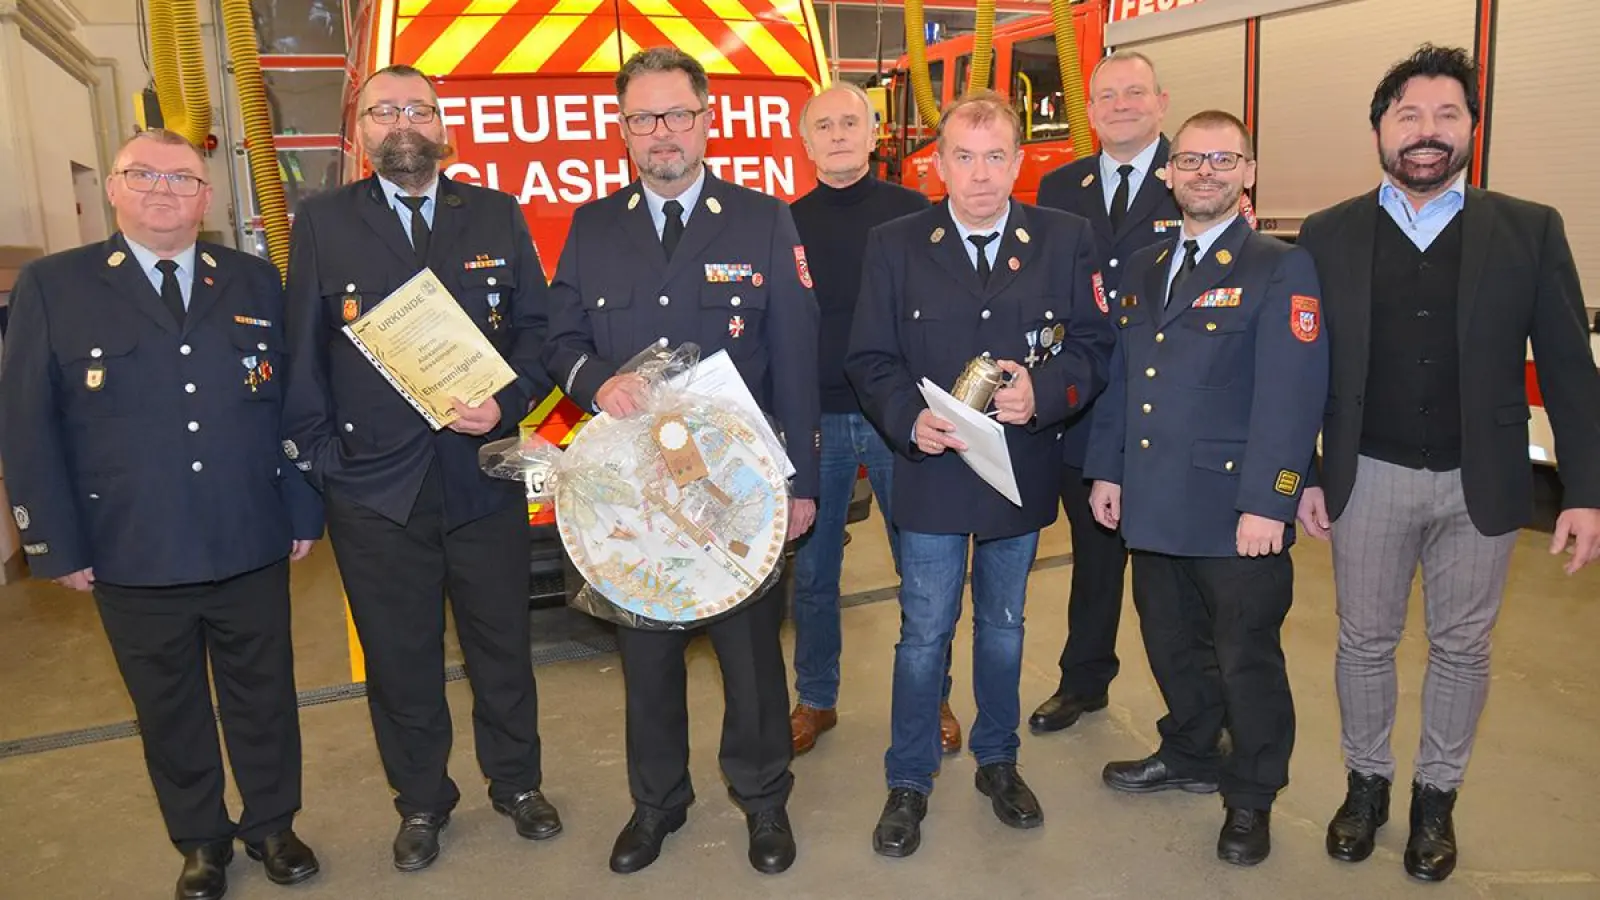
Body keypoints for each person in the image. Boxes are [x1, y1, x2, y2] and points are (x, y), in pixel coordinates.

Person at [1295, 45, 1600, 883]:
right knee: (1364, 642)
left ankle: (1437, 799)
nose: (1427, 133)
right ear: (1380, 132)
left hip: (1484, 480)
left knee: (1462, 649)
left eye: (1446, 115)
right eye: (1409, 116)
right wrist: (1301, 476)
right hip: (1368, 475)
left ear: (1471, 126)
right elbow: (1298, 371)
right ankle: (1367, 787)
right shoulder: (1328, 234)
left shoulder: (1529, 229)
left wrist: (1587, 490)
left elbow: (1571, 366)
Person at [0, 129, 323, 900]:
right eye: (142, 174)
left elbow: (291, 403)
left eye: (182, 178)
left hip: (248, 531)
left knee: (265, 695)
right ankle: (202, 843)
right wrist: (54, 544)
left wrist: (303, 510)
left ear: (206, 199)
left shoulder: (250, 280)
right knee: (167, 705)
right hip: (129, 546)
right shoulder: (56, 285)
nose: (162, 190)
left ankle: (274, 825)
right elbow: (28, 425)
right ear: (113, 188)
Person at [541, 47, 820, 876]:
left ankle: (764, 803)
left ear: (706, 119)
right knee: (649, 658)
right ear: (622, 130)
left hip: (738, 493)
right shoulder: (594, 226)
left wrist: (799, 483)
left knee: (752, 661)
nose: (660, 133)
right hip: (633, 498)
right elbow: (559, 339)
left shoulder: (763, 218)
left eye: (676, 115)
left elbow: (798, 356)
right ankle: (657, 804)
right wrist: (597, 381)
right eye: (642, 118)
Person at [282, 64, 562, 872]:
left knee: (503, 646)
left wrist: (506, 405)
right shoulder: (324, 221)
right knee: (400, 661)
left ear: (444, 126)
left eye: (420, 108)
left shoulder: (497, 214)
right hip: (373, 495)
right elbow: (302, 358)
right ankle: (423, 803)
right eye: (385, 110)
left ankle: (517, 784)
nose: (403, 121)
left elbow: (537, 337)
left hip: (481, 479)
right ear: (361, 129)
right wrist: (326, 463)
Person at [847, 91, 1114, 859]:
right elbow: (869, 355)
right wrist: (906, 418)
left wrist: (1048, 393)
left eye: (996, 156)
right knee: (924, 631)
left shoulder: (1065, 239)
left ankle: (999, 763)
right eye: (963, 156)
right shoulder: (896, 242)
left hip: (1016, 472)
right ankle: (909, 778)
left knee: (1003, 628)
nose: (980, 174)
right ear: (937, 163)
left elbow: (1095, 344)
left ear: (1021, 162)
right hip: (929, 471)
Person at [1085, 110, 1327, 867]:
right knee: (1170, 643)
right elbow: (1125, 378)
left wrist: (1271, 500)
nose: (1206, 173)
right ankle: (1191, 750)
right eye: (1191, 161)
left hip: (1234, 512)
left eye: (1225, 160)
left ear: (1249, 172)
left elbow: (1293, 396)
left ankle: (1251, 795)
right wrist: (1108, 467)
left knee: (1246, 657)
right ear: (1168, 174)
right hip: (1155, 501)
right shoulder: (1148, 267)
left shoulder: (1278, 266)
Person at [788, 83, 960, 757]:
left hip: (901, 419)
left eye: (849, 123)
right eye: (822, 125)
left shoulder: (916, 213)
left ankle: (932, 696)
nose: (836, 134)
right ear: (804, 142)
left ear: (874, 134)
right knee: (814, 574)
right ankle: (815, 699)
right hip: (819, 420)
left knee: (926, 567)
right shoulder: (785, 222)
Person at [1031, 49, 1181, 734]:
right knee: (1094, 560)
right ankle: (1084, 681)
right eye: (1107, 96)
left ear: (1162, 101)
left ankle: (1196, 708)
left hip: (1171, 410)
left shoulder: (1197, 177)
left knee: (1172, 576)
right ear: (1089, 112)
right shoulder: (1060, 188)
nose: (1121, 105)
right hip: (1086, 406)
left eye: (1135, 93)